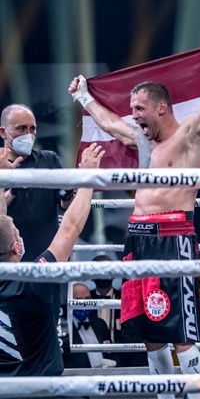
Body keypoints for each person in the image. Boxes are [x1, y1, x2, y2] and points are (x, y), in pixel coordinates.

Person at [68, 26, 200, 399]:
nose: (134, 117)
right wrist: (83, 97)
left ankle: (196, 395)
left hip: (172, 237)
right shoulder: (144, 141)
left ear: (162, 107)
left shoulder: (189, 136)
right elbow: (111, 124)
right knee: (147, 333)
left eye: (139, 109)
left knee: (179, 332)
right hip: (137, 238)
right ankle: (164, 395)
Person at [0, 143, 103, 376]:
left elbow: (0, 225)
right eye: (17, 231)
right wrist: (88, 178)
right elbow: (71, 226)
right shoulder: (35, 281)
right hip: (44, 386)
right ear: (17, 247)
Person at [0, 104, 76, 325]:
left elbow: (65, 203)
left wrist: (69, 193)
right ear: (3, 132)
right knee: (9, 328)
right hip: (7, 261)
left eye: (32, 129)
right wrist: (12, 185)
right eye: (21, 128)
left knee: (47, 325)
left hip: (44, 258)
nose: (28, 134)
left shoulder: (48, 160)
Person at [63, 283, 117, 369]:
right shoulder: (64, 328)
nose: (84, 303)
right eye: (79, 300)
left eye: (87, 299)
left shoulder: (100, 323)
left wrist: (112, 363)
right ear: (70, 301)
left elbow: (110, 352)